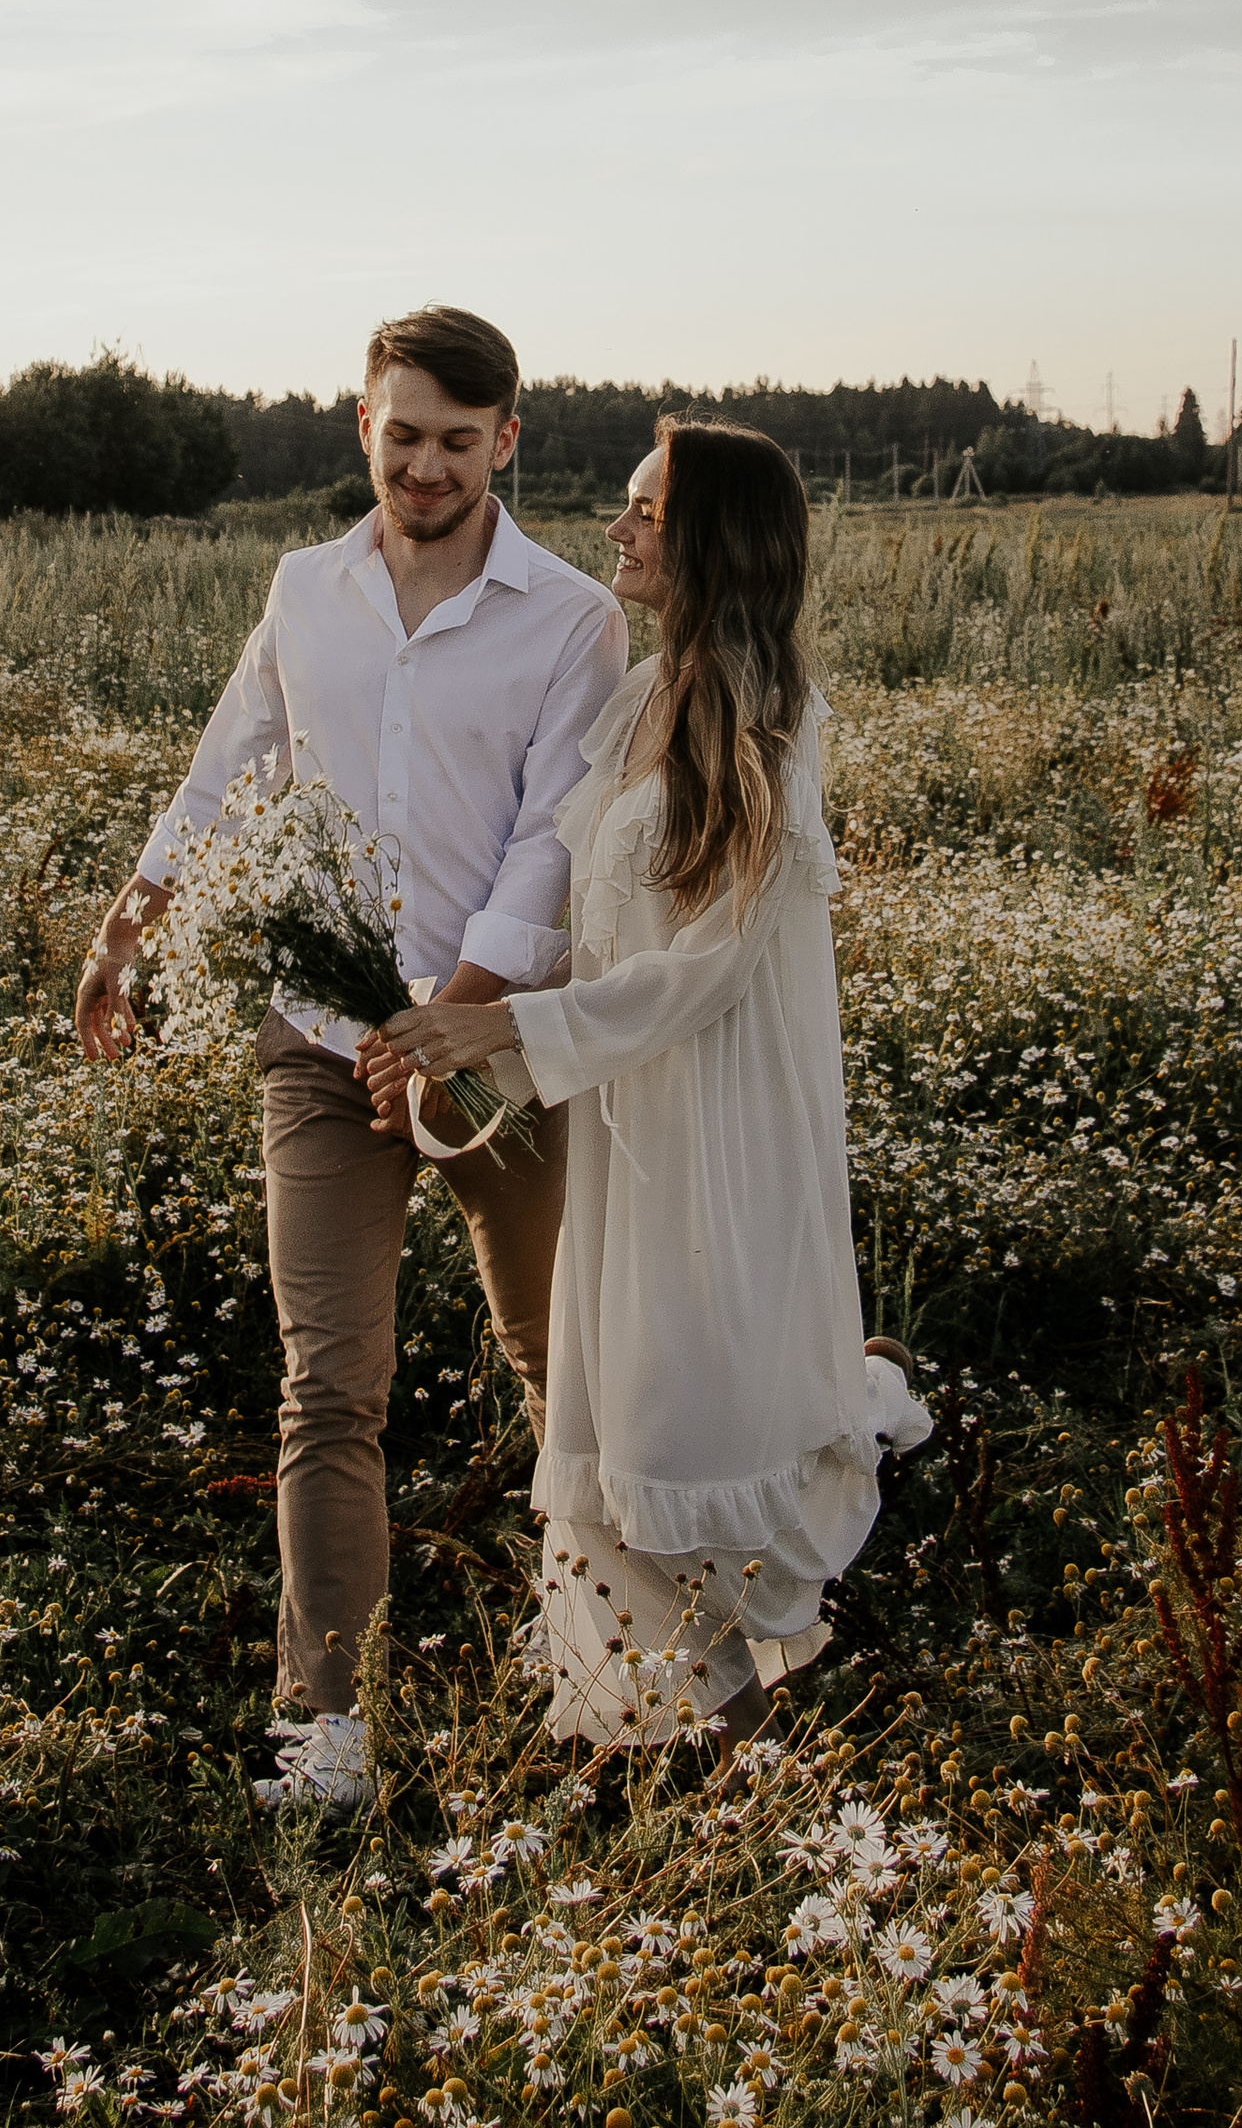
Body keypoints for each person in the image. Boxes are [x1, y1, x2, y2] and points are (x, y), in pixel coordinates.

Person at [76, 306, 624, 1807]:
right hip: (319, 1046)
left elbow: (554, 843)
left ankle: (613, 1645)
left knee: (555, 1362)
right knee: (330, 1386)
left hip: (495, 1050)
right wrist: (129, 928)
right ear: (361, 428)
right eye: (405, 435)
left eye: (460, 439)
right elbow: (228, 766)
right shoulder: (304, 592)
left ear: (508, 440)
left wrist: (449, 1020)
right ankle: (330, 1727)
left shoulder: (575, 620)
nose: (428, 465)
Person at [369, 420, 927, 1751]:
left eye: (645, 510)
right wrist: (456, 1015)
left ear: (713, 541)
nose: (616, 528)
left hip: (717, 1123)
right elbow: (575, 915)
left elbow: (701, 975)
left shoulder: (765, 735)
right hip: (622, 1121)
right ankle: (704, 1740)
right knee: (619, 1435)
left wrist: (507, 1037)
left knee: (693, 1434)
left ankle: (857, 1434)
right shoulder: (635, 700)